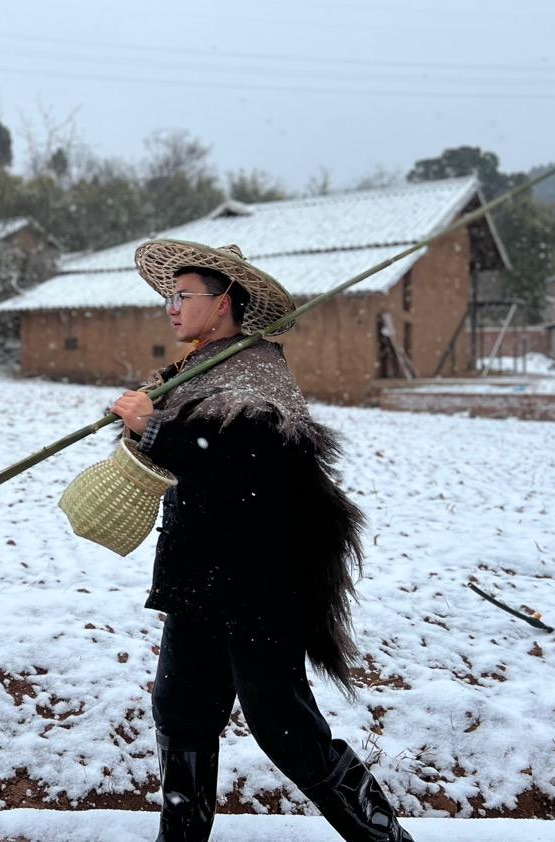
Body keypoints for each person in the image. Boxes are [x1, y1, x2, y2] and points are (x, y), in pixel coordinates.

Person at [111, 240, 414, 842]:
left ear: (223, 302)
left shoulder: (257, 373)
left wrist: (155, 428)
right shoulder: (200, 366)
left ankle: (386, 840)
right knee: (181, 717)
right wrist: (142, 423)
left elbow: (238, 474)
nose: (170, 307)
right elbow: (181, 460)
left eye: (183, 296)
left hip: (259, 583)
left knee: (284, 726)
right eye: (168, 296)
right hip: (200, 580)